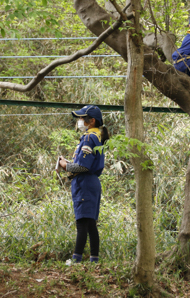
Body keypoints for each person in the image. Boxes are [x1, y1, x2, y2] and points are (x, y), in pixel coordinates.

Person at [58, 105, 109, 264]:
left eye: (81, 117)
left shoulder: (88, 138)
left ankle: (76, 259)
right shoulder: (97, 137)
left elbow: (83, 166)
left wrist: (66, 165)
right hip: (91, 182)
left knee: (82, 223)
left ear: (91, 121)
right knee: (90, 224)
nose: (79, 120)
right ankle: (94, 260)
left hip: (85, 182)